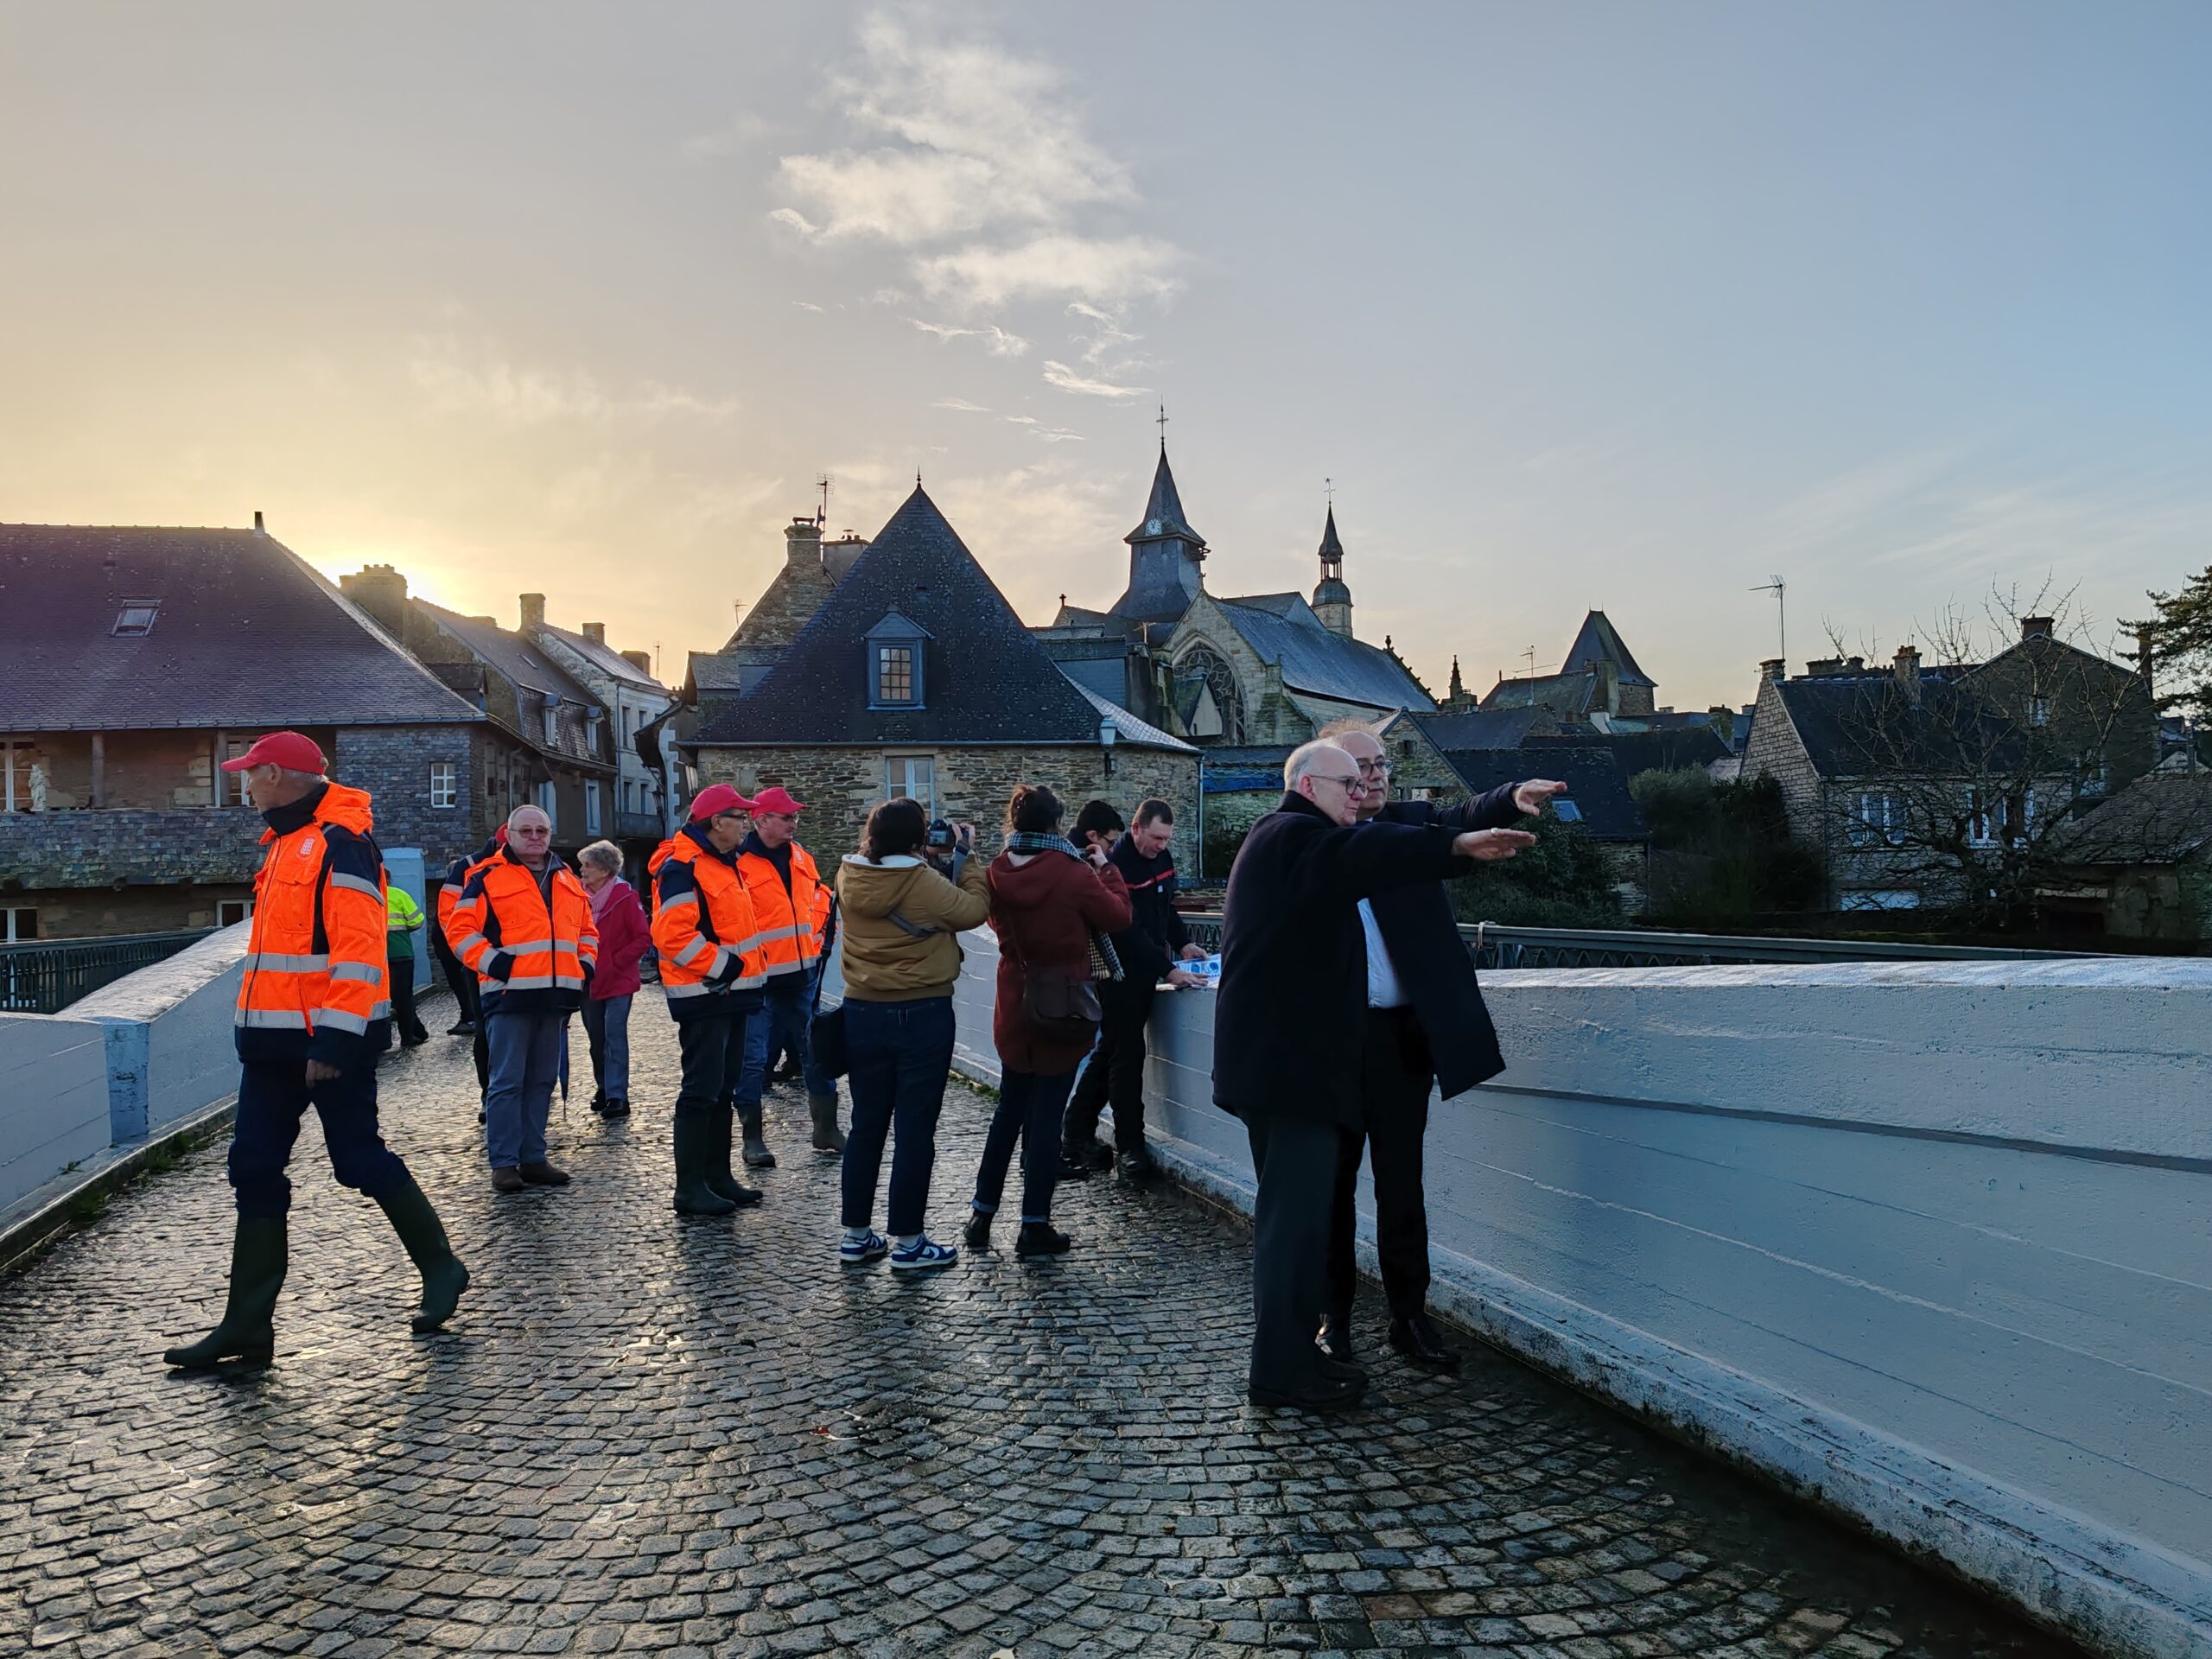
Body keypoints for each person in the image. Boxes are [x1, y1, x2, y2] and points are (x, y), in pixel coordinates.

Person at [1214, 740, 1538, 1411]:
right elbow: (1367, 852)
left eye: (1370, 778)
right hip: (1292, 1075)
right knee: (1294, 1227)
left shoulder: (1292, 838)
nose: (1361, 793)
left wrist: (1478, 821)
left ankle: (1300, 1356)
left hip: (1294, 1069)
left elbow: (1384, 842)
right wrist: (1457, 847)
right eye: (1349, 782)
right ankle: (1282, 1373)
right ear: (1309, 785)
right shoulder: (1292, 835)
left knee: (1300, 1222)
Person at [163, 732, 467, 1368]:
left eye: (250, 774)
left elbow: (360, 950)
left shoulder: (341, 842)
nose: (246, 785)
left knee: (357, 1161)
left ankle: (442, 1268)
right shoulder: (285, 841)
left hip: (327, 1043)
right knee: (252, 1169)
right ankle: (247, 1326)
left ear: (276, 774)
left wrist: (334, 1040)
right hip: (271, 1044)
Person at [1320, 726, 1568, 1372]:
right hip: (1335, 1042)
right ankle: (1332, 1321)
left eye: (1380, 763)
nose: (1375, 775)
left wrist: (1511, 795)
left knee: (1402, 1186)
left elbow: (1460, 818)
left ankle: (1409, 1319)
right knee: (1331, 1189)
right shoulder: (1312, 843)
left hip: (1401, 1038)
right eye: (1359, 766)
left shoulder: (1409, 825)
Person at [964, 784, 1133, 1258]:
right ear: (1057, 824)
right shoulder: (1072, 872)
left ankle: (981, 1215)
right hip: (1062, 1003)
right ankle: (1034, 1224)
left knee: (1009, 1110)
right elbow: (1118, 916)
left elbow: (993, 923)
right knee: (1046, 1118)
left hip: (1014, 1002)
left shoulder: (997, 871)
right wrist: (1108, 869)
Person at [834, 797, 990, 1271]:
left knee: (866, 1125)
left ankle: (856, 1236)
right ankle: (909, 1242)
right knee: (914, 1129)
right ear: (919, 838)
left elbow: (902, 888)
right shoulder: (921, 881)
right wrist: (967, 857)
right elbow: (973, 910)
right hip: (921, 1012)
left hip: (861, 1011)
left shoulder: (848, 874)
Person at [445, 805, 598, 1193]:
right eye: (526, 831)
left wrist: (584, 966)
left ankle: (533, 1157)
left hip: (556, 995)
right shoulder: (486, 877)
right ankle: (503, 1163)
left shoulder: (567, 879)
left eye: (541, 831)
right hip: (509, 995)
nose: (534, 837)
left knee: (542, 1081)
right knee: (507, 1082)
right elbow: (459, 931)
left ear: (549, 835)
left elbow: (587, 930)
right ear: (509, 835)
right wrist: (496, 964)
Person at [1061, 798, 1206, 1184]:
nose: (1161, 845)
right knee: (1126, 1057)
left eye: (1166, 839)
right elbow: (1127, 930)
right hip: (1120, 973)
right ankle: (1130, 1147)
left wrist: (1183, 943)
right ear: (1137, 829)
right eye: (1156, 838)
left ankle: (1075, 1132)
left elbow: (1166, 909)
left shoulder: (1162, 859)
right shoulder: (1117, 863)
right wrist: (1168, 969)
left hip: (1147, 969)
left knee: (1110, 1051)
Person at [650, 784, 768, 1216]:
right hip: (706, 995)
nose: (746, 825)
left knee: (722, 1089)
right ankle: (689, 1188)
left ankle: (718, 1177)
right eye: (740, 817)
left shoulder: (722, 863)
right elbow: (671, 936)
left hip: (730, 996)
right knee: (701, 1091)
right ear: (717, 822)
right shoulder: (683, 867)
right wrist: (726, 967)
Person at [730, 785, 842, 1164]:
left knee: (816, 1053)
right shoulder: (736, 863)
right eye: (787, 817)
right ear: (761, 821)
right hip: (756, 980)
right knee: (752, 1059)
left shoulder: (801, 858)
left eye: (795, 817)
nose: (794, 823)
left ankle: (826, 1129)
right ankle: (752, 1139)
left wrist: (821, 941)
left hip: (801, 976)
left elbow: (818, 903)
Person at [576, 839, 650, 1118]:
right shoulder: (577, 897)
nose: (582, 870)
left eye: (588, 866)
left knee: (614, 1036)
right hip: (588, 980)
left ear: (605, 870)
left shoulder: (624, 897)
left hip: (619, 980)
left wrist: (616, 961)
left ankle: (618, 1096)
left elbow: (642, 937)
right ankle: (604, 1087)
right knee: (596, 1038)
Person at [383, 870, 431, 1047]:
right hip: (401, 952)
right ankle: (409, 1035)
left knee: (384, 999)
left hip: (377, 955)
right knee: (404, 996)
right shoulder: (399, 895)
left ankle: (390, 1038)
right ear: (389, 879)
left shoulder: (367, 896)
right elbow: (417, 921)